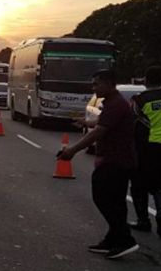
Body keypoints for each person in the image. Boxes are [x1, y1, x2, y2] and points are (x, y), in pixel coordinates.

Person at [57, 69, 139, 259]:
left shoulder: (117, 104)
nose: (93, 88)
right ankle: (112, 238)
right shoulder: (111, 103)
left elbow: (99, 132)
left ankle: (125, 239)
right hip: (115, 159)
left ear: (110, 84)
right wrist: (86, 122)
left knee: (103, 197)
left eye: (97, 84)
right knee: (115, 201)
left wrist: (72, 151)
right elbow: (104, 123)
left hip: (116, 160)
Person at [130, 66, 161, 238]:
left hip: (146, 147)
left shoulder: (140, 100)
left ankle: (143, 220)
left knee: (138, 185)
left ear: (146, 80)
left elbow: (133, 121)